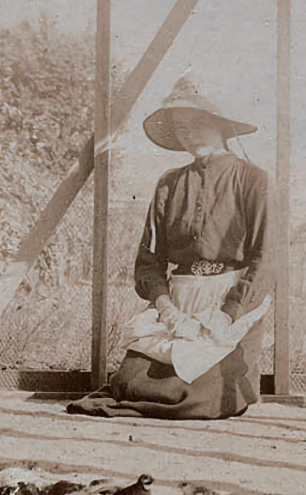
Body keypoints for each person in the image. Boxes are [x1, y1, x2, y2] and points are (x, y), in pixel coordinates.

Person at [69, 76, 271, 420]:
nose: (189, 133)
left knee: (202, 396)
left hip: (228, 306)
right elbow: (148, 261)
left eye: (197, 123)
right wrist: (167, 309)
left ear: (219, 124)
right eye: (180, 127)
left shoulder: (253, 180)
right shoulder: (170, 183)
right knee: (130, 383)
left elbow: (265, 258)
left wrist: (227, 313)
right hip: (178, 305)